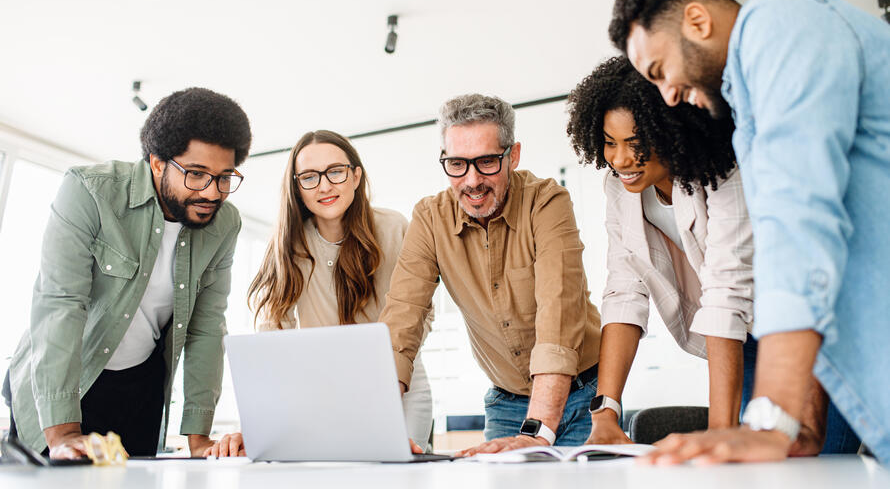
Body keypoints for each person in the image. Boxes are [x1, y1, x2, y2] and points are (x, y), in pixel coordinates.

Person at [608, 0, 890, 464]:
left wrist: (771, 419)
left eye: (659, 71)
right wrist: (802, 421)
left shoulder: (778, 28)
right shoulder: (748, 115)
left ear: (697, 20)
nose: (667, 95)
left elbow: (800, 220)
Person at [3, 88, 251, 459]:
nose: (212, 193)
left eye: (224, 177)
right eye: (197, 174)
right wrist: (63, 433)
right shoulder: (90, 191)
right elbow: (60, 305)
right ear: (156, 163)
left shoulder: (224, 224)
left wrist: (199, 438)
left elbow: (207, 325)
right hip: (64, 386)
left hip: (139, 388)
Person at [378, 93, 602, 456]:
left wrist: (537, 432)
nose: (472, 181)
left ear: (512, 156)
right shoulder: (430, 218)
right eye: (457, 164)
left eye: (486, 162)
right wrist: (380, 426)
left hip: (583, 395)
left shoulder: (547, 202)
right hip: (506, 401)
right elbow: (402, 320)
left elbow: (558, 315)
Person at [204, 130, 433, 457]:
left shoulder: (393, 227)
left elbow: (419, 313)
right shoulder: (287, 245)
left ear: (356, 176)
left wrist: (387, 387)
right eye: (309, 177)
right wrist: (256, 423)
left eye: (335, 172)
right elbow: (272, 338)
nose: (324, 186)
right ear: (297, 187)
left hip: (398, 388)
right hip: (324, 394)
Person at [567, 55, 751, 441]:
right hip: (743, 343)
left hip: (800, 331)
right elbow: (623, 291)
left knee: (818, 463)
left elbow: (725, 293)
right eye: (609, 143)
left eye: (636, 143)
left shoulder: (722, 170)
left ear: (672, 131)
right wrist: (605, 414)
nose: (620, 160)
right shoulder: (619, 187)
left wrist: (718, 436)